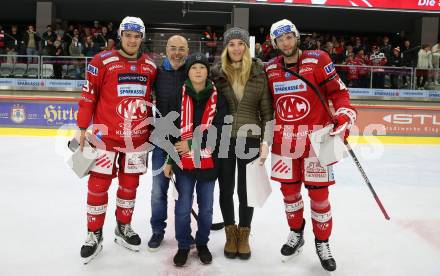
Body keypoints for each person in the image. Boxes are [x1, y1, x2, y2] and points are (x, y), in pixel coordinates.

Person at [265, 19, 357, 272]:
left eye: (289, 37)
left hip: (318, 140)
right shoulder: (270, 68)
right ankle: (296, 233)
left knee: (319, 197)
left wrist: (345, 115)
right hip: (284, 143)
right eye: (280, 39)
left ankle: (323, 242)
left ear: (296, 37)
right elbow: (265, 105)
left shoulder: (319, 59)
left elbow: (339, 93)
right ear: (274, 44)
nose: (286, 42)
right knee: (289, 195)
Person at [76, 16, 157, 264]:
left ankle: (123, 227)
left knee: (129, 185)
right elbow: (89, 96)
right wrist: (82, 127)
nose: (132, 40)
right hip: (104, 138)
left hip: (137, 139)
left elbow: (153, 101)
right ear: (120, 36)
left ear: (141, 38)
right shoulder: (102, 61)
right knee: (98, 186)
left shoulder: (150, 66)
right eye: (128, 35)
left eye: (137, 36)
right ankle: (94, 233)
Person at [211, 27, 273, 260]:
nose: (236, 48)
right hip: (225, 139)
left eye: (240, 44)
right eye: (232, 44)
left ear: (247, 47)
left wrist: (267, 141)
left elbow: (267, 112)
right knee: (226, 189)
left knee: (246, 191)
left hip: (250, 138)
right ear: (226, 48)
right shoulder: (216, 72)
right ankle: (231, 234)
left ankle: (244, 235)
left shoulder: (259, 72)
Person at [163, 53, 229, 266]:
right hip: (183, 162)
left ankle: (202, 243)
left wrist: (192, 144)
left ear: (207, 71)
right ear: (188, 72)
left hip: (209, 162)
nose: (198, 71)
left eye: (202, 67)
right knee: (183, 206)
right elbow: (172, 132)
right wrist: (170, 160)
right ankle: (183, 245)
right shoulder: (177, 96)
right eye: (194, 68)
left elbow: (219, 130)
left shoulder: (219, 97)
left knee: (207, 206)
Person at [147, 35, 189, 251]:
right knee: (158, 190)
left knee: (185, 190)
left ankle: (184, 232)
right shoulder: (157, 73)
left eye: (181, 49)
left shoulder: (193, 71)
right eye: (173, 48)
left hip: (185, 141)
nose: (177, 52)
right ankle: (157, 230)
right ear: (166, 49)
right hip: (161, 141)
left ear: (187, 50)